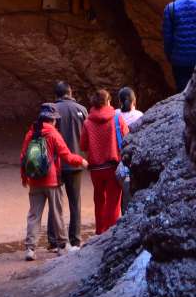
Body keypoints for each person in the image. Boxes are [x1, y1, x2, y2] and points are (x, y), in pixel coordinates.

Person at [20, 102, 86, 260]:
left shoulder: (30, 133)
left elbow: (23, 157)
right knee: (57, 213)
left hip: (35, 180)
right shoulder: (53, 134)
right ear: (53, 120)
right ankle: (62, 245)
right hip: (51, 180)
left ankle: (30, 248)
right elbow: (66, 156)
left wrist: (24, 177)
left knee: (34, 215)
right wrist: (81, 161)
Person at [82, 87, 128, 233]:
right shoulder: (116, 117)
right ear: (108, 101)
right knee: (113, 201)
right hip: (112, 166)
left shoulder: (88, 122)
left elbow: (83, 145)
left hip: (96, 169)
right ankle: (110, 232)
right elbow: (127, 137)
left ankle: (100, 231)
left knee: (99, 199)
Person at [50, 80, 88, 247]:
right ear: (71, 93)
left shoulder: (51, 110)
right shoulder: (82, 109)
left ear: (56, 95)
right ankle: (75, 239)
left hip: (56, 163)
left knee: (54, 202)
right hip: (76, 161)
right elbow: (87, 135)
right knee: (75, 203)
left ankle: (53, 240)